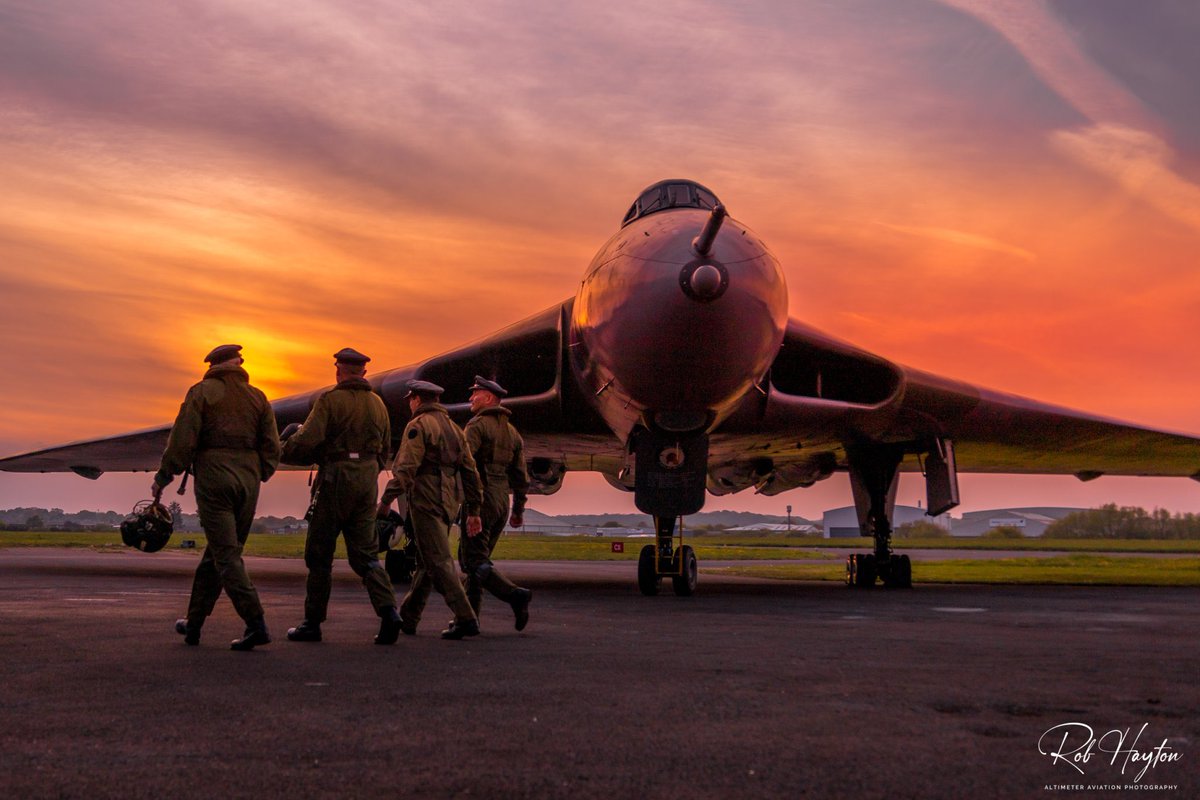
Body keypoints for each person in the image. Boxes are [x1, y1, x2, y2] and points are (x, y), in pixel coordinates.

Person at [153, 344, 280, 651]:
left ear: (212, 365)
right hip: (249, 481)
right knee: (217, 554)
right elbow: (273, 447)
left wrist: (164, 476)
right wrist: (258, 472)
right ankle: (193, 624)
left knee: (226, 555)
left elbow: (182, 441)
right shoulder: (258, 397)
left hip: (214, 477)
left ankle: (255, 622)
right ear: (239, 363)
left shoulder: (202, 392)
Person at [279, 348, 402, 645]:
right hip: (366, 482)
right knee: (366, 556)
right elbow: (386, 449)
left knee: (319, 555)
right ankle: (389, 614)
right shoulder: (378, 404)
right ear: (363, 371)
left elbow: (307, 439)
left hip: (335, 480)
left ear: (339, 370)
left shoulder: (330, 400)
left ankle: (312, 623)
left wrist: (284, 449)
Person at [377, 380, 482, 640]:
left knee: (439, 561)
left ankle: (466, 617)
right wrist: (474, 507)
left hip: (425, 498)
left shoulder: (419, 426)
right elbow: (470, 471)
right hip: (448, 500)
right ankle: (409, 617)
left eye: (410, 399)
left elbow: (406, 468)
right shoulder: (455, 429)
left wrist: (387, 499)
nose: (410, 403)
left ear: (417, 399)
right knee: (427, 560)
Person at [460, 376, 532, 630]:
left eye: (475, 394)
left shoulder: (477, 426)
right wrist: (518, 510)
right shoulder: (512, 433)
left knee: (472, 560)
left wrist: (472, 510)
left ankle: (514, 595)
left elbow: (466, 466)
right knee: (480, 561)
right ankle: (469, 620)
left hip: (482, 499)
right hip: (502, 501)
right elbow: (522, 478)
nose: (471, 398)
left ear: (489, 398)